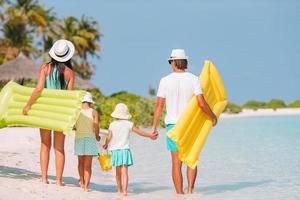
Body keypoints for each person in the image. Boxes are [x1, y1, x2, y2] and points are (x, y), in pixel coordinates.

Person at [151, 49, 217, 194]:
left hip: (173, 126)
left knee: (176, 162)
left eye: (170, 62)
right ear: (184, 62)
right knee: (192, 159)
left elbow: (159, 106)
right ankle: (191, 192)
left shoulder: (165, 80)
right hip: (191, 126)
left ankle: (179, 195)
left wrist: (154, 127)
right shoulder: (194, 79)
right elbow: (201, 102)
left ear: (173, 62)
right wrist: (213, 116)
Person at [22, 39, 75, 186]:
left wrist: (28, 105)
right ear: (67, 56)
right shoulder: (70, 73)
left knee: (45, 145)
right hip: (61, 114)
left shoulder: (45, 68)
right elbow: (69, 97)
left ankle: (44, 178)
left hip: (45, 111)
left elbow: (38, 89)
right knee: (59, 148)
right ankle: (58, 181)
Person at [103, 103, 158, 196]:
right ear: (126, 114)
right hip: (124, 150)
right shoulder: (129, 124)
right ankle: (125, 191)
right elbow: (139, 132)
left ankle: (119, 189)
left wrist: (106, 144)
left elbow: (109, 137)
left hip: (115, 151)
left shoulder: (112, 124)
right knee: (124, 172)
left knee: (117, 172)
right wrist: (150, 135)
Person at [75, 92, 100, 192]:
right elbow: (96, 125)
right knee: (88, 165)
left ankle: (81, 181)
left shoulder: (77, 111)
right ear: (90, 102)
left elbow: (72, 124)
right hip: (90, 138)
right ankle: (86, 187)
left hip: (79, 138)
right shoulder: (94, 112)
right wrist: (97, 136)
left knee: (80, 162)